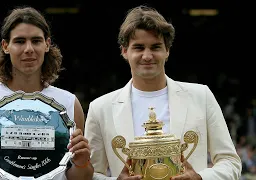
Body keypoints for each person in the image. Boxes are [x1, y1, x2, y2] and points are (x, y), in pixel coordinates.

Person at [84, 5, 242, 180]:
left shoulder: (201, 96)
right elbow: (89, 174)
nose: (147, 55)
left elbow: (230, 162)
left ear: (167, 50)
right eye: (138, 47)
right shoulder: (100, 108)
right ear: (124, 51)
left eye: (155, 47)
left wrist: (200, 178)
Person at [0, 6, 93, 180]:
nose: (28, 49)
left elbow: (79, 176)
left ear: (47, 44)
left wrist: (82, 163)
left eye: (36, 41)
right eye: (20, 41)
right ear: (5, 46)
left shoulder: (69, 103)